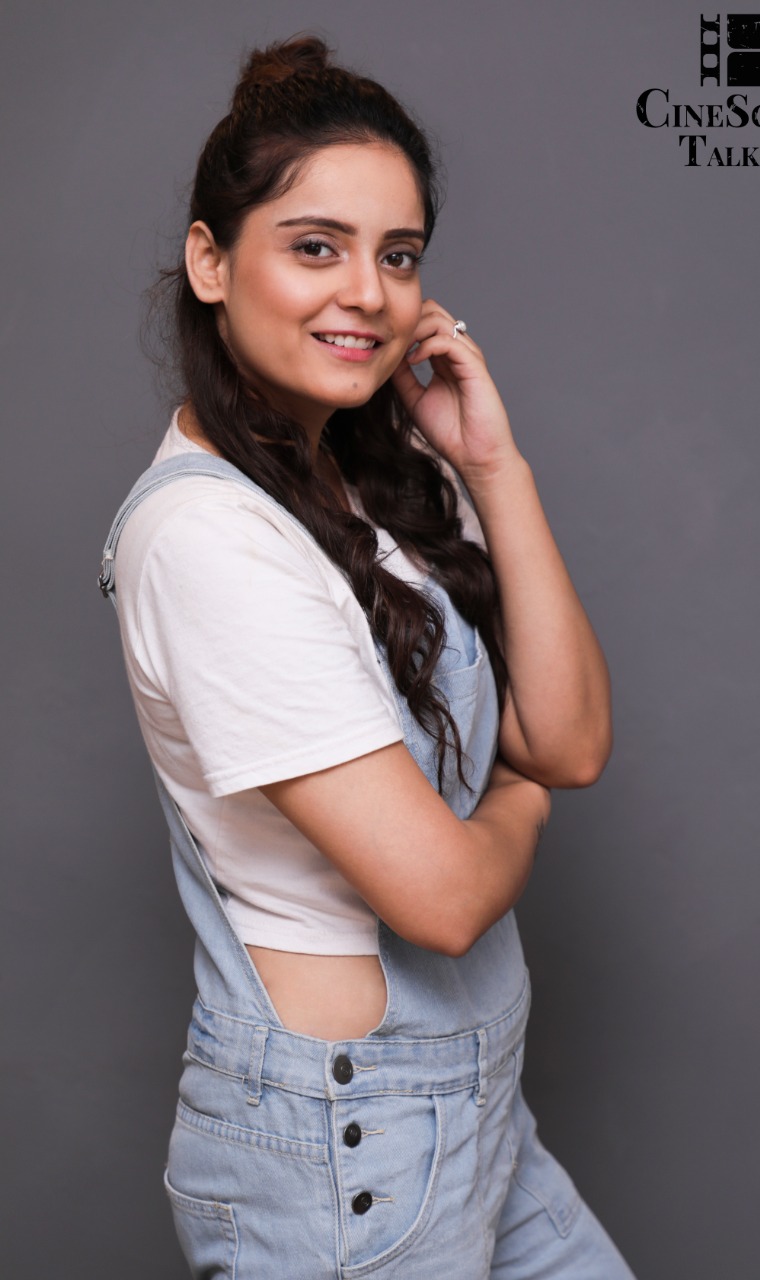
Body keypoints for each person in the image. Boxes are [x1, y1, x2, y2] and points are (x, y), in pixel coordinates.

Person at [100, 34, 636, 1279]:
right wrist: (516, 800)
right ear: (210, 261)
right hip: (348, 1155)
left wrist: (492, 464)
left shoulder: (378, 474)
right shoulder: (209, 538)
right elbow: (440, 897)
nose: (369, 293)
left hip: (476, 1111)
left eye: (396, 255)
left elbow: (567, 740)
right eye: (315, 246)